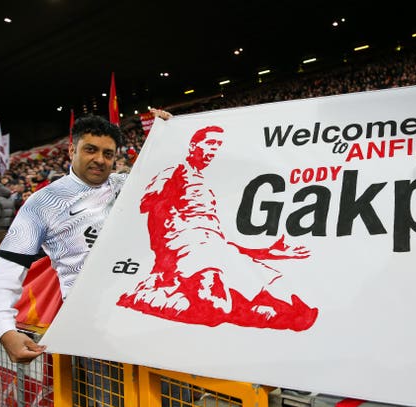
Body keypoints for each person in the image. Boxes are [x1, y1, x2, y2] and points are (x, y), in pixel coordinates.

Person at [0, 109, 172, 365]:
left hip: (153, 312)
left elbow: (178, 176)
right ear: (72, 151)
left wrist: (171, 135)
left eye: (108, 154)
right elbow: (6, 268)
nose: (100, 160)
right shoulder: (43, 203)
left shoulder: (127, 185)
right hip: (94, 327)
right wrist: (4, 329)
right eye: (90, 150)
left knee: (173, 401)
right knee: (114, 404)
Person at [117, 125, 318, 331]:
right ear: (194, 146)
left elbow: (219, 239)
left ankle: (278, 313)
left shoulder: (207, 187)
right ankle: (147, 295)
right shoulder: (174, 171)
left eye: (218, 145)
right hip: (185, 248)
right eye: (210, 143)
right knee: (215, 305)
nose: (214, 149)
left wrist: (265, 252)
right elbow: (147, 209)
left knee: (275, 295)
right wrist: (166, 254)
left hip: (214, 248)